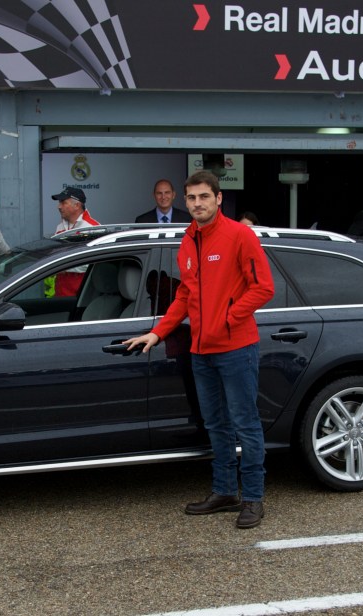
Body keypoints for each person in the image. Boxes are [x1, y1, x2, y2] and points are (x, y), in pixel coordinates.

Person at [124, 170, 275, 529]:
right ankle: (224, 491)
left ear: (218, 199)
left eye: (204, 197)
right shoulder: (188, 240)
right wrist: (158, 333)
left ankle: (253, 498)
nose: (197, 204)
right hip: (200, 350)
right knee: (215, 424)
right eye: (191, 198)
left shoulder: (240, 235)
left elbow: (263, 288)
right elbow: (186, 295)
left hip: (236, 347)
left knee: (245, 424)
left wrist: (227, 318)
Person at [51, 187, 99, 296]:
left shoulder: (92, 227)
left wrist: (63, 265)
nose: (59, 206)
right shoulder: (60, 227)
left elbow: (95, 262)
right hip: (61, 290)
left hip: (82, 292)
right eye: (59, 202)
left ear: (76, 205)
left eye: (63, 202)